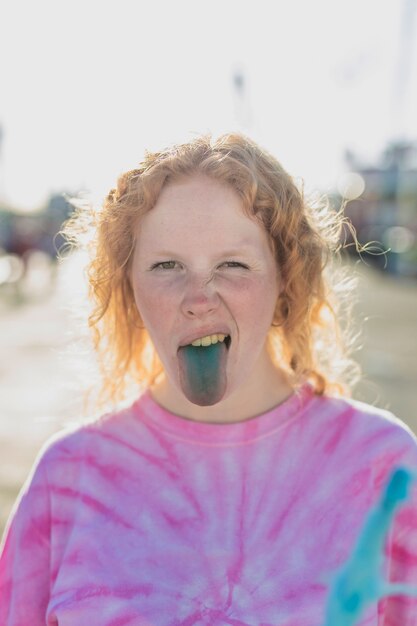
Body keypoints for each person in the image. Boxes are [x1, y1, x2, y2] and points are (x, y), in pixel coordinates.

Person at [0, 132, 416, 625]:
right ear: (129, 287)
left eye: (233, 265)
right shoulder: (67, 477)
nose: (199, 296)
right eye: (166, 265)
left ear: (285, 282)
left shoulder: (385, 466)